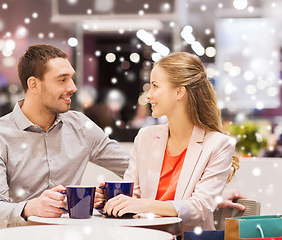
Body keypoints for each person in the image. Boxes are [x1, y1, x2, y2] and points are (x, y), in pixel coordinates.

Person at [0, 44, 130, 229]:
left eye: (72, 79)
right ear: (34, 84)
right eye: (62, 80)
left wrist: (109, 196)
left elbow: (134, 168)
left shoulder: (81, 127)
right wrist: (30, 208)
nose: (73, 87)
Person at [98, 52, 237, 231]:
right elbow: (135, 194)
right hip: (146, 235)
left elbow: (200, 208)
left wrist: (145, 205)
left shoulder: (218, 144)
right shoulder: (145, 137)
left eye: (155, 86)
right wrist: (110, 199)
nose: (148, 95)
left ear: (179, 92)